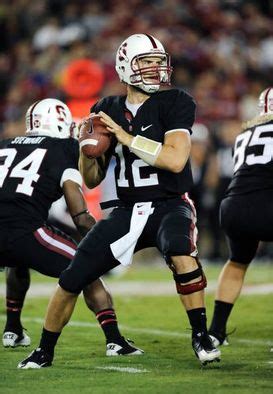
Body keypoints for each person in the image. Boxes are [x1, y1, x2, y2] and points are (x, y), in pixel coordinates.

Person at [19, 34, 220, 369]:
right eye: (147, 62)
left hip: (170, 203)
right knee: (73, 276)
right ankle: (43, 351)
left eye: (159, 61)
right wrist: (86, 149)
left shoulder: (176, 102)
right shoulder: (107, 109)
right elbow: (93, 178)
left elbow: (174, 160)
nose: (156, 68)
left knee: (181, 253)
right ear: (126, 66)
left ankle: (201, 334)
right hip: (126, 210)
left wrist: (125, 137)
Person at [0, 98, 142, 356]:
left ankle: (12, 329)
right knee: (84, 268)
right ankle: (114, 340)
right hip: (26, 231)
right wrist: (102, 244)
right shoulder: (63, 148)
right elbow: (79, 214)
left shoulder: (5, 145)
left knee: (16, 263)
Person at [209, 87, 273, 346]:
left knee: (236, 263)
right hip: (265, 205)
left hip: (233, 206)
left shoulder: (245, 133)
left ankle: (216, 331)